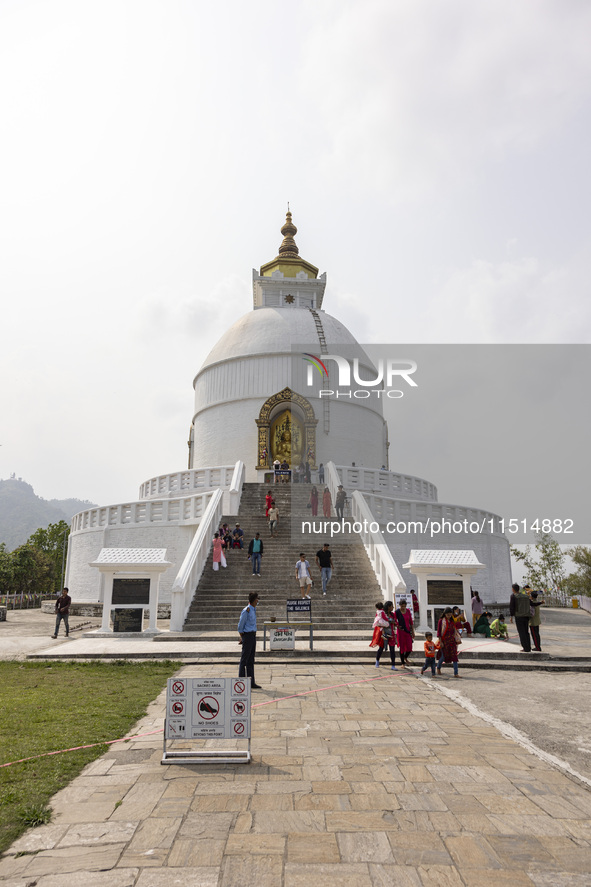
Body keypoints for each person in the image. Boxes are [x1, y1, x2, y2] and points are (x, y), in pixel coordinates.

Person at [238, 592, 261, 689]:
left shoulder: (253, 609)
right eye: (257, 599)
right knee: (244, 660)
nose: (258, 601)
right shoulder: (246, 610)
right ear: (254, 600)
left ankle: (251, 682)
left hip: (252, 636)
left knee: (251, 660)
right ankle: (241, 682)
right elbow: (240, 626)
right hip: (247, 636)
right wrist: (242, 637)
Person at [370, 600, 397, 670]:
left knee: (392, 649)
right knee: (381, 647)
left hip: (391, 633)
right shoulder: (381, 613)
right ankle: (377, 660)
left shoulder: (392, 614)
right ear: (388, 607)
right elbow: (377, 622)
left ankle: (393, 665)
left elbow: (395, 622)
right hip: (384, 633)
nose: (393, 607)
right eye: (391, 606)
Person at [437, 608, 461, 677]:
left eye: (450, 615)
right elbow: (439, 632)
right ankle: (438, 668)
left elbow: (455, 630)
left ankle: (456, 673)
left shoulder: (452, 621)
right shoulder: (441, 621)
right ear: (445, 614)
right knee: (443, 656)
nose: (449, 616)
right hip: (445, 641)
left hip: (452, 641)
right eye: (448, 615)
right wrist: (440, 641)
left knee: (454, 656)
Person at [510, 583, 532, 652]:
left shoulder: (513, 596)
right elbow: (531, 603)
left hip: (519, 616)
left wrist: (511, 616)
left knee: (521, 632)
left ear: (513, 589)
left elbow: (512, 607)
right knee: (526, 632)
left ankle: (525, 647)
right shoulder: (525, 596)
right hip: (526, 616)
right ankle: (528, 647)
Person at [395, 598, 415, 666]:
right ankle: (402, 663)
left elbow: (411, 622)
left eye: (404, 606)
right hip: (401, 632)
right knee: (402, 647)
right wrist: (397, 626)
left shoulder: (408, 611)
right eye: (402, 606)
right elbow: (394, 620)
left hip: (408, 631)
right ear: (399, 605)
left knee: (409, 647)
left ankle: (405, 657)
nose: (403, 607)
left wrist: (413, 631)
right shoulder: (397, 612)